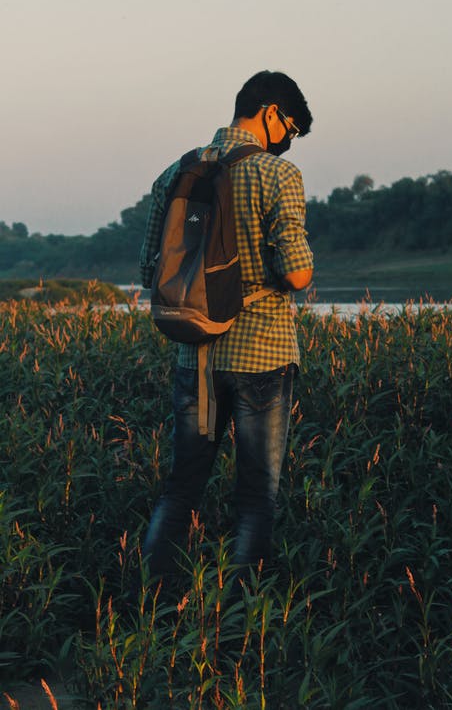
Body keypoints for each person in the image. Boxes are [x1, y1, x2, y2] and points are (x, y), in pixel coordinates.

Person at [138, 70, 313, 593]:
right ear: (271, 113)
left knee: (180, 488)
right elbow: (298, 273)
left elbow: (153, 269)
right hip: (261, 352)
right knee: (257, 496)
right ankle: (240, 622)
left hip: (194, 354)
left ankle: (152, 608)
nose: (289, 141)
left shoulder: (177, 171)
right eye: (292, 128)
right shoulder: (276, 175)